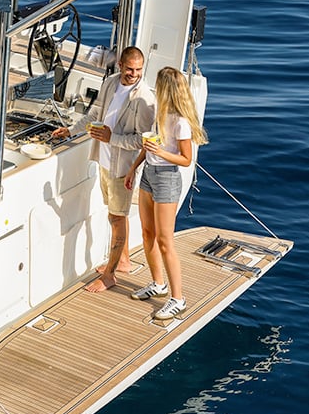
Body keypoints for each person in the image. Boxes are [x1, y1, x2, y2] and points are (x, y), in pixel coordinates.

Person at [51, 46, 155, 292]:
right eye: (130, 69)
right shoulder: (110, 83)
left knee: (117, 218)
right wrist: (71, 130)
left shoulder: (145, 99)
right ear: (120, 65)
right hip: (105, 161)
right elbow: (95, 115)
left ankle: (110, 275)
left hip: (122, 168)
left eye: (138, 70)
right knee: (115, 214)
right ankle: (124, 260)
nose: (134, 74)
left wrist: (112, 139)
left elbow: (143, 140)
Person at [124, 66, 208, 320]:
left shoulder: (181, 122)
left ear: (165, 88)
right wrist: (133, 168)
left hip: (167, 179)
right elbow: (148, 146)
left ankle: (178, 298)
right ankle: (158, 284)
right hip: (149, 174)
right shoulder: (159, 113)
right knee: (147, 233)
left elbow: (186, 160)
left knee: (164, 240)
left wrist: (160, 152)